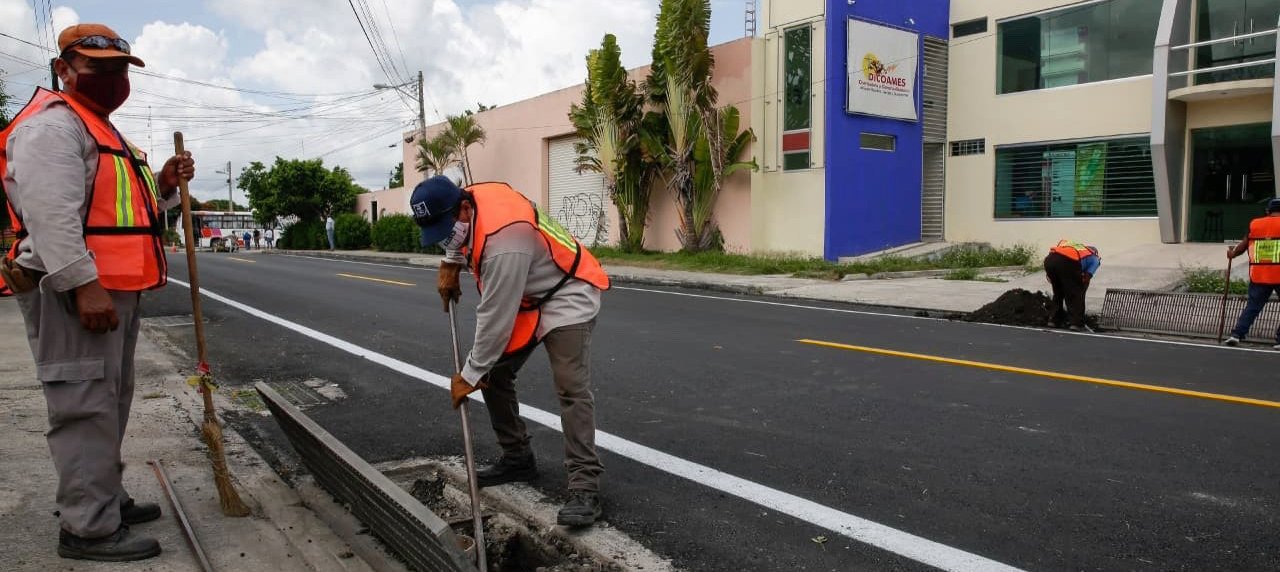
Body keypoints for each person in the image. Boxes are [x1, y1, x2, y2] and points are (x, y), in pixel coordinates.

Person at [0, 23, 195, 561]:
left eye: (118, 70)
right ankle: (87, 529)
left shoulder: (106, 133)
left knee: (109, 402)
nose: (111, 79)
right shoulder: (53, 129)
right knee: (84, 407)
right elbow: (52, 218)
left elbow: (135, 217)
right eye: (97, 67)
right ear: (63, 69)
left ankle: (104, 499)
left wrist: (168, 185)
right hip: (76, 294)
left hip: (115, 292)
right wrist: (83, 286)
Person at [411, 176, 610, 527]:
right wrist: (451, 263)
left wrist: (469, 375)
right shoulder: (468, 206)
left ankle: (585, 488)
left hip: (568, 293)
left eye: (447, 228)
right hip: (528, 296)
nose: (446, 236)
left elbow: (494, 319)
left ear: (465, 207)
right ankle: (518, 457)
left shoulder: (506, 239)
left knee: (570, 388)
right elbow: (461, 237)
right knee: (495, 374)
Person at [1223, 197, 1280, 349]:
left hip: (1259, 274)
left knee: (1253, 306)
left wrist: (1232, 254)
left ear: (1268, 210)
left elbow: (1243, 245)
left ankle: (1237, 334)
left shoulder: (1255, 224)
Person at [1043, 240, 1101, 332]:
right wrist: (1081, 290)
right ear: (1096, 253)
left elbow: (1057, 255)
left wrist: (1051, 274)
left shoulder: (1074, 247)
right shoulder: (1094, 258)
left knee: (1058, 293)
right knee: (1075, 295)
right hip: (1068, 262)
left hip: (1050, 260)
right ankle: (1076, 324)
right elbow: (1086, 277)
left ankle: (1054, 320)